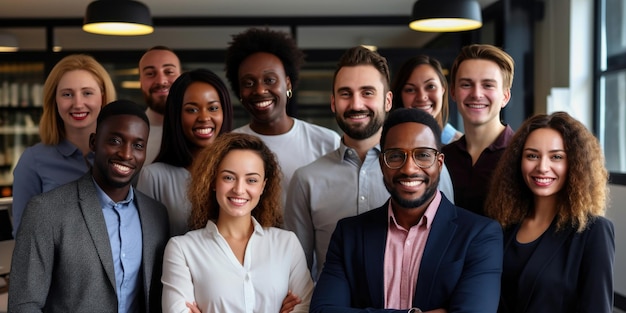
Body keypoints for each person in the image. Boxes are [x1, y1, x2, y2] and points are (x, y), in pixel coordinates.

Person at [284, 46, 453, 282]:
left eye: (367, 92)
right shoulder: (306, 180)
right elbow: (298, 274)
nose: (356, 104)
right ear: (333, 103)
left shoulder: (428, 172)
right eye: (345, 94)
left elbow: (447, 254)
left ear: (388, 100)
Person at [310, 108, 503, 313]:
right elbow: (323, 311)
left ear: (439, 163)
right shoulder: (349, 235)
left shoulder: (480, 235)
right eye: (395, 156)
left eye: (422, 155)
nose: (409, 169)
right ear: (382, 164)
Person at [9, 100, 170, 313]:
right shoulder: (45, 210)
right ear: (94, 142)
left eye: (138, 145)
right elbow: (24, 304)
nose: (126, 154)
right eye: (115, 140)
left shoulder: (156, 215)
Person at [161, 132, 314, 313]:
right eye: (228, 177)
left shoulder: (287, 244)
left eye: (251, 180)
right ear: (213, 181)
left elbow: (305, 308)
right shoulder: (182, 249)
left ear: (263, 186)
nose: (239, 189)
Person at [485, 112, 614, 313]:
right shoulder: (503, 225)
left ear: (575, 163)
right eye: (532, 155)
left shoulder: (593, 231)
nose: (542, 167)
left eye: (556, 157)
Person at [225, 27, 340, 206]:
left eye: (269, 80)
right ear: (239, 91)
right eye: (248, 83)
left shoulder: (327, 142)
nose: (260, 90)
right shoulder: (227, 146)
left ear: (287, 83)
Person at [11, 54, 116, 238]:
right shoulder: (33, 161)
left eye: (87, 93)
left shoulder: (121, 156)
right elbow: (24, 236)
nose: (77, 103)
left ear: (103, 97)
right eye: (67, 94)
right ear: (55, 100)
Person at [137, 68, 234, 236]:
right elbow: (147, 246)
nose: (204, 117)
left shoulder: (239, 174)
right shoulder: (154, 177)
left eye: (213, 108)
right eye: (192, 110)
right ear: (176, 115)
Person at [442, 44, 516, 216]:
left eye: (488, 85)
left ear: (505, 96)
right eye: (466, 84)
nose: (476, 94)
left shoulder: (521, 156)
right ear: (453, 92)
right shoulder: (442, 158)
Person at [391, 54, 463, 144]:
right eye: (410, 90)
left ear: (442, 89)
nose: (421, 97)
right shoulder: (387, 142)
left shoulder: (461, 145)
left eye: (430, 86)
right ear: (400, 95)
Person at [139, 45, 182, 163]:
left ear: (181, 77)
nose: (161, 81)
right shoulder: (130, 132)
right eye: (150, 73)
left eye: (169, 72)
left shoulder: (202, 132)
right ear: (140, 82)